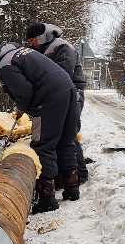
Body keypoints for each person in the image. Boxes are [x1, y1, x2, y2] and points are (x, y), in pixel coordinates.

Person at [0, 43, 79, 212]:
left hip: (49, 97)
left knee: (43, 145)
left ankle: (47, 197)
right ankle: (72, 187)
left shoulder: (5, 66)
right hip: (68, 88)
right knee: (66, 140)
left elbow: (24, 91)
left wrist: (21, 107)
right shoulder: (19, 53)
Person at [25, 22, 88, 184]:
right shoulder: (45, 50)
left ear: (41, 36)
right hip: (60, 94)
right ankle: (64, 174)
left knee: (69, 133)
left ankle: (79, 173)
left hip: (72, 93)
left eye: (32, 40)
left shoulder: (62, 47)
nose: (31, 44)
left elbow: (62, 73)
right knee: (61, 134)